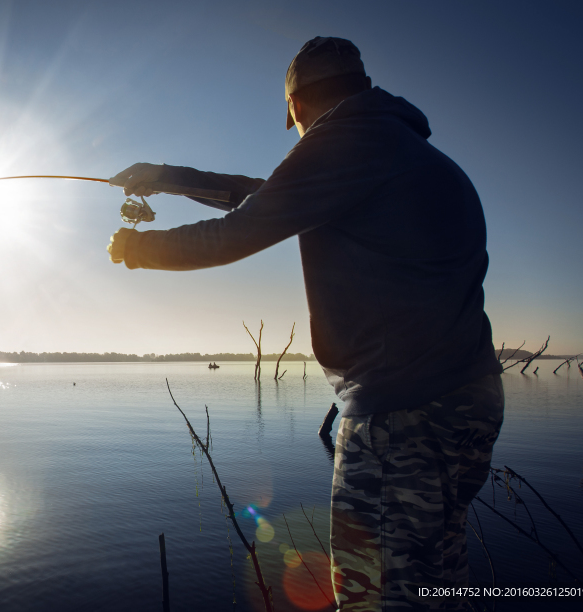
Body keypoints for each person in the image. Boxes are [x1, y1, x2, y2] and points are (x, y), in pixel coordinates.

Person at [107, 36, 504, 611]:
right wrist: (169, 176)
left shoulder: (345, 140)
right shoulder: (395, 147)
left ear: (294, 106)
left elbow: (242, 228)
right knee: (437, 580)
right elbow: (275, 195)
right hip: (466, 401)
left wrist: (138, 249)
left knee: (379, 596)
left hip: (402, 409)